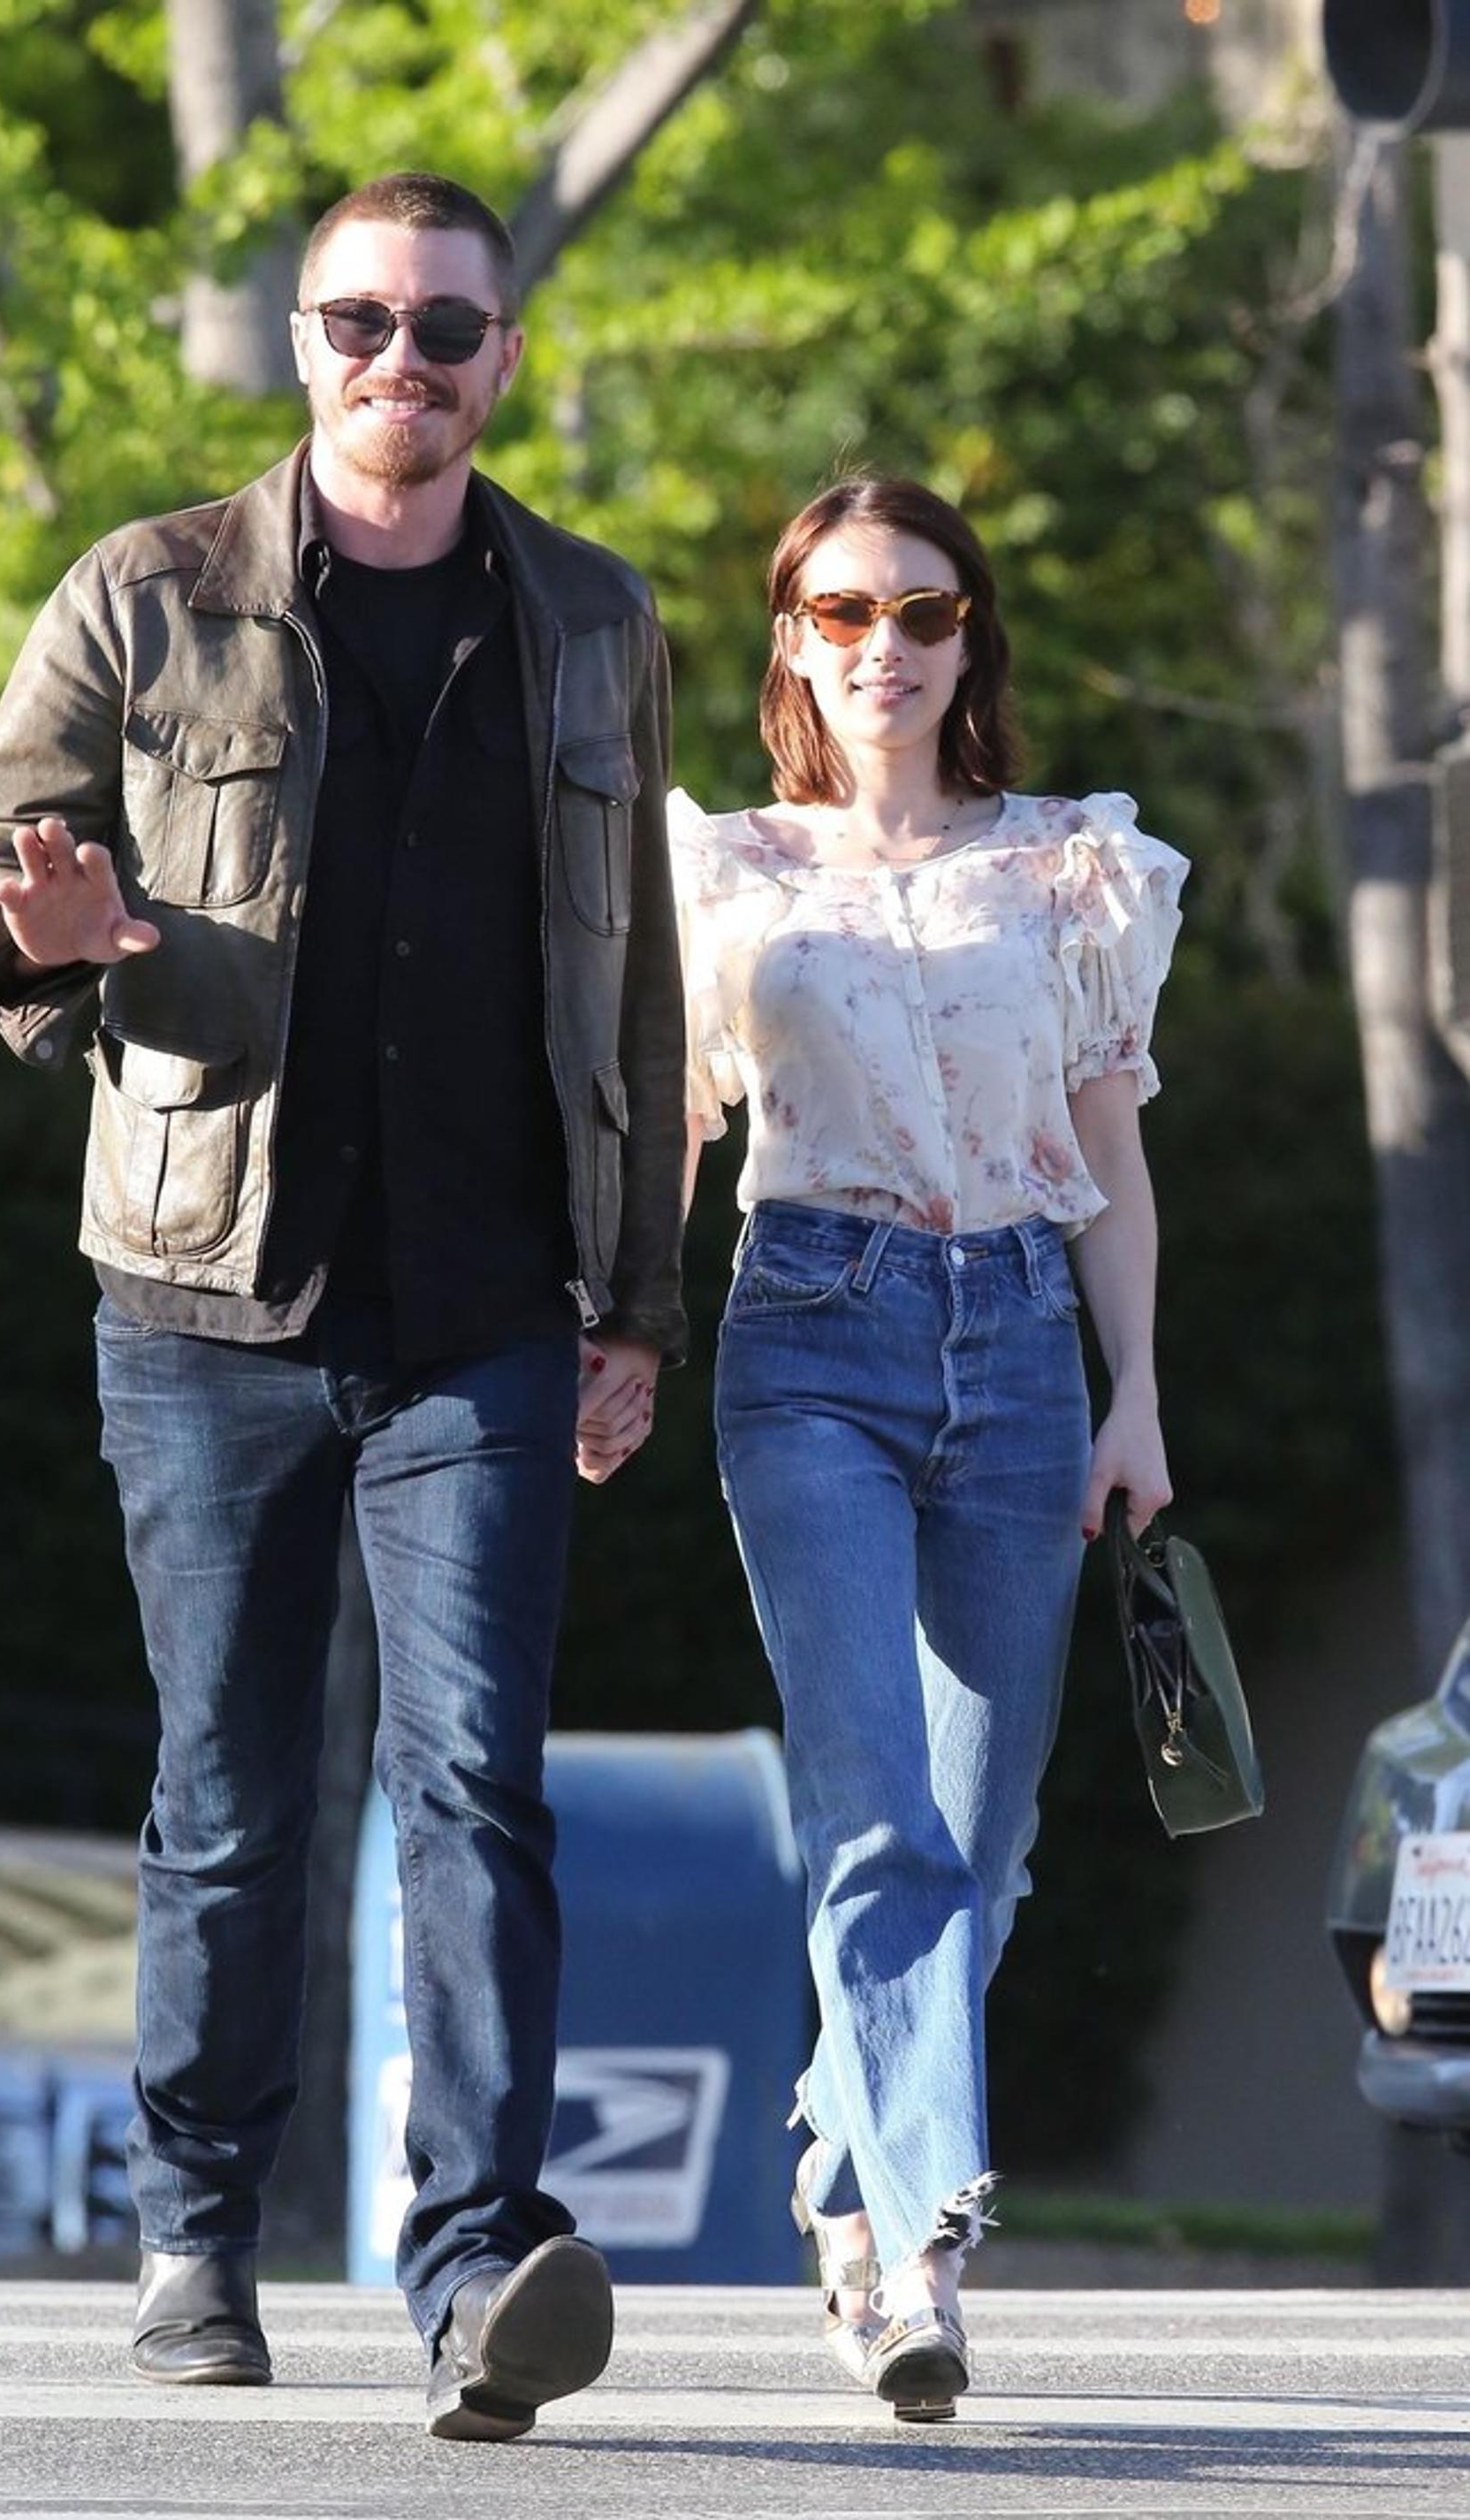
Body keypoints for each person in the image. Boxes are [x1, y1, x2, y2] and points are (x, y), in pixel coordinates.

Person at [0, 171, 684, 2441]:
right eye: (361, 318)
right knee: (231, 1795)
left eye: (445, 325)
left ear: (504, 356)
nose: (400, 359)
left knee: (475, 1788)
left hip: (489, 1304)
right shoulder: (147, 592)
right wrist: (34, 938)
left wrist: (639, 1303)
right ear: (301, 340)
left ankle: (477, 2268)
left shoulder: (592, 621)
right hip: (199, 1293)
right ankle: (196, 2230)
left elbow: (639, 984)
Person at [669, 476, 1185, 2422]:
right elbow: (677, 1128)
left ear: (970, 639)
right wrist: (618, 1333)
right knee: (875, 1806)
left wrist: (1136, 1394)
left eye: (920, 609)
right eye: (840, 611)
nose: (881, 643)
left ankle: (839, 2149)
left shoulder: (1068, 866)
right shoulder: (725, 873)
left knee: (983, 1835)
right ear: (790, 644)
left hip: (1025, 1343)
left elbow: (1109, 1148)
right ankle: (917, 2265)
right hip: (810, 1331)